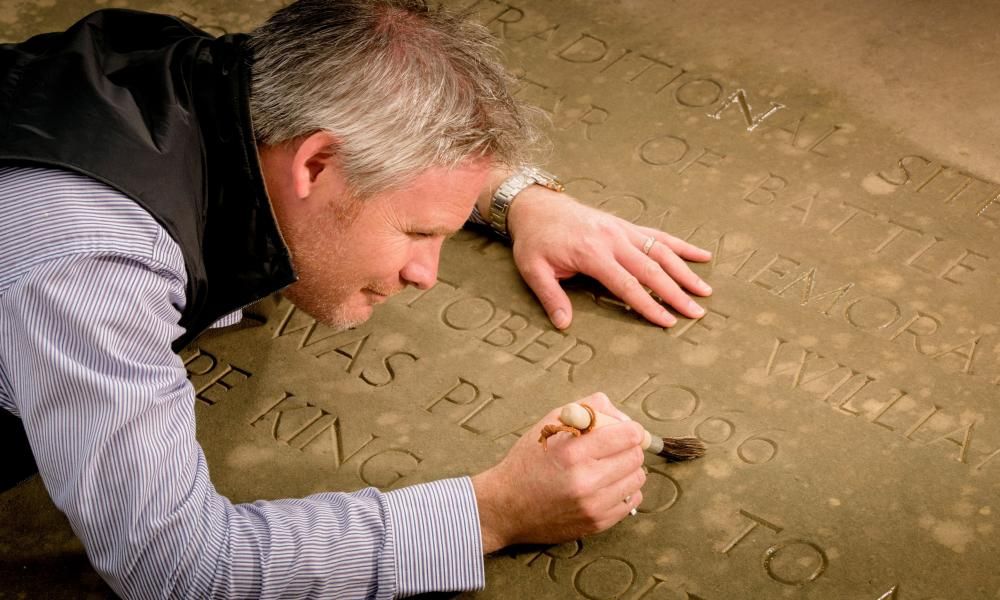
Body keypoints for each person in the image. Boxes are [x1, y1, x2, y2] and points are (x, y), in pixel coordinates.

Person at [0, 0, 713, 597]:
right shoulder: (91, 266)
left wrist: (517, 198)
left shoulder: (209, 79)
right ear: (316, 164)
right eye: (418, 231)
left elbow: (374, 91)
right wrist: (492, 513)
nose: (426, 273)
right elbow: (181, 568)